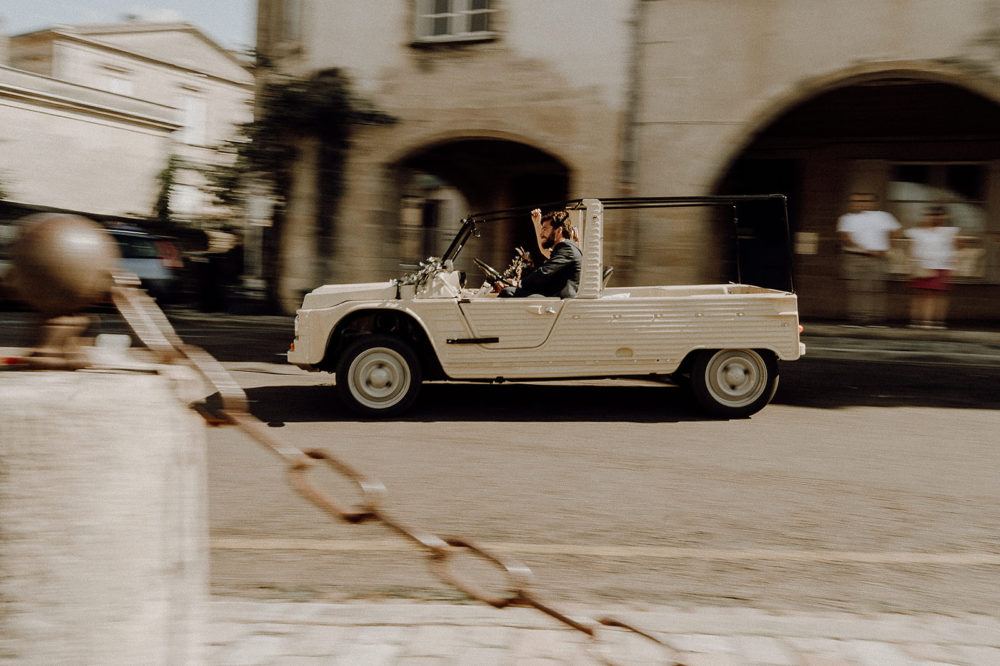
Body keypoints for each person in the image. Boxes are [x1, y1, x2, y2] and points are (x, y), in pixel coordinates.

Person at [836, 192, 902, 326]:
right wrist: (865, 249)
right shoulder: (846, 218)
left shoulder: (883, 216)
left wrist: (887, 247)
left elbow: (896, 231)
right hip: (855, 257)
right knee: (856, 288)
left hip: (878, 257)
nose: (862, 203)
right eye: (857, 201)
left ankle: (876, 318)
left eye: (866, 201)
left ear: (873, 203)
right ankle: (857, 318)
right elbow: (845, 237)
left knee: (876, 288)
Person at [499, 208, 581, 298]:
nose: (541, 233)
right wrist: (537, 223)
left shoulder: (567, 249)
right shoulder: (564, 249)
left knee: (508, 292)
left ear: (559, 231)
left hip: (558, 300)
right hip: (553, 297)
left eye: (545, 229)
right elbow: (544, 251)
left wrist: (518, 283)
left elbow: (544, 272)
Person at [904, 206, 961, 330]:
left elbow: (957, 249)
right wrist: (910, 266)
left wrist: (954, 266)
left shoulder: (949, 232)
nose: (934, 217)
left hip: (942, 266)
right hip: (921, 266)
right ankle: (916, 322)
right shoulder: (917, 232)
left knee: (938, 295)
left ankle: (935, 323)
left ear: (943, 216)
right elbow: (910, 249)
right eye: (931, 215)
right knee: (919, 295)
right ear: (926, 216)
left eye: (938, 215)